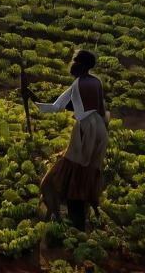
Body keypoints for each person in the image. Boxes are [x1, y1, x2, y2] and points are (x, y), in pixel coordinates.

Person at [34, 49, 110, 231]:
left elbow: (54, 107)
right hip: (100, 128)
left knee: (74, 167)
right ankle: (81, 212)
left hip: (85, 128)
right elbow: (101, 109)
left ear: (80, 65)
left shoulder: (77, 84)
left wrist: (33, 102)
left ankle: (72, 215)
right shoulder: (96, 82)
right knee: (88, 169)